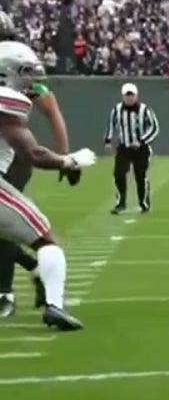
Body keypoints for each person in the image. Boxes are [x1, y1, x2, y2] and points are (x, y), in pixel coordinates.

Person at [0, 42, 99, 331]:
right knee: (45, 239)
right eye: (26, 72)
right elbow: (34, 155)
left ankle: (31, 274)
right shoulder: (6, 101)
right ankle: (55, 306)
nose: (32, 79)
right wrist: (69, 161)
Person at [0, 21, 70, 319]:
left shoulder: (18, 78)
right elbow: (33, 149)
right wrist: (67, 159)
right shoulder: (11, 90)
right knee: (37, 235)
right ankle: (37, 277)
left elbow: (49, 106)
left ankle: (12, 288)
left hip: (11, 164)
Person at [104, 82, 159, 215]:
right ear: (122, 96)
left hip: (141, 149)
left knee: (140, 176)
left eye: (131, 95)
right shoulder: (116, 110)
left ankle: (144, 203)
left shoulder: (145, 110)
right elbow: (111, 124)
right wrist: (108, 140)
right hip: (124, 147)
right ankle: (120, 203)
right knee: (119, 173)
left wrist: (142, 140)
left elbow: (154, 127)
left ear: (136, 96)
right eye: (127, 95)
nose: (129, 98)